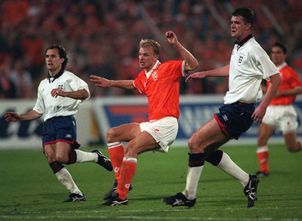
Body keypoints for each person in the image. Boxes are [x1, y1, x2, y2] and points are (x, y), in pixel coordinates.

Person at [163, 7, 281, 208]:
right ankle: (248, 181)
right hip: (234, 109)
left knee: (195, 143)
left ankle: (188, 196)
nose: (232, 25)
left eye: (237, 23)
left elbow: (276, 78)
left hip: (240, 110)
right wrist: (205, 74)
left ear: (248, 26)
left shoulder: (254, 49)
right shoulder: (238, 47)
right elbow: (233, 69)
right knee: (205, 150)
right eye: (231, 22)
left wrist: (263, 106)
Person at [89, 30, 199, 206]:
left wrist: (176, 44)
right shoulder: (144, 76)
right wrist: (111, 83)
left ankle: (121, 195)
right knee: (112, 134)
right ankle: (121, 182)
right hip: (152, 123)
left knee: (131, 148)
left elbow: (193, 64)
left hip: (166, 124)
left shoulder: (167, 68)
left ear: (155, 56)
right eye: (140, 54)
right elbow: (132, 84)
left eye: (146, 55)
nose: (141, 58)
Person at [4, 45, 113, 202]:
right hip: (48, 123)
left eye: (53, 56)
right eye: (47, 56)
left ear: (61, 59)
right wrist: (20, 117)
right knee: (51, 159)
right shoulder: (43, 85)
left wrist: (65, 93)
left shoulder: (69, 78)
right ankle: (76, 193)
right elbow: (38, 111)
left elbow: (85, 93)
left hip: (65, 120)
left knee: (61, 156)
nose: (49, 59)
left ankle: (96, 157)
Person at [256, 42, 302, 177]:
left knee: (292, 147)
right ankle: (263, 170)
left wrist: (282, 93)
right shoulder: (269, 71)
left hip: (285, 111)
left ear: (285, 55)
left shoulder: (289, 72)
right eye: (272, 52)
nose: (275, 55)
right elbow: (267, 89)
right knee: (261, 140)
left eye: (278, 52)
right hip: (270, 109)